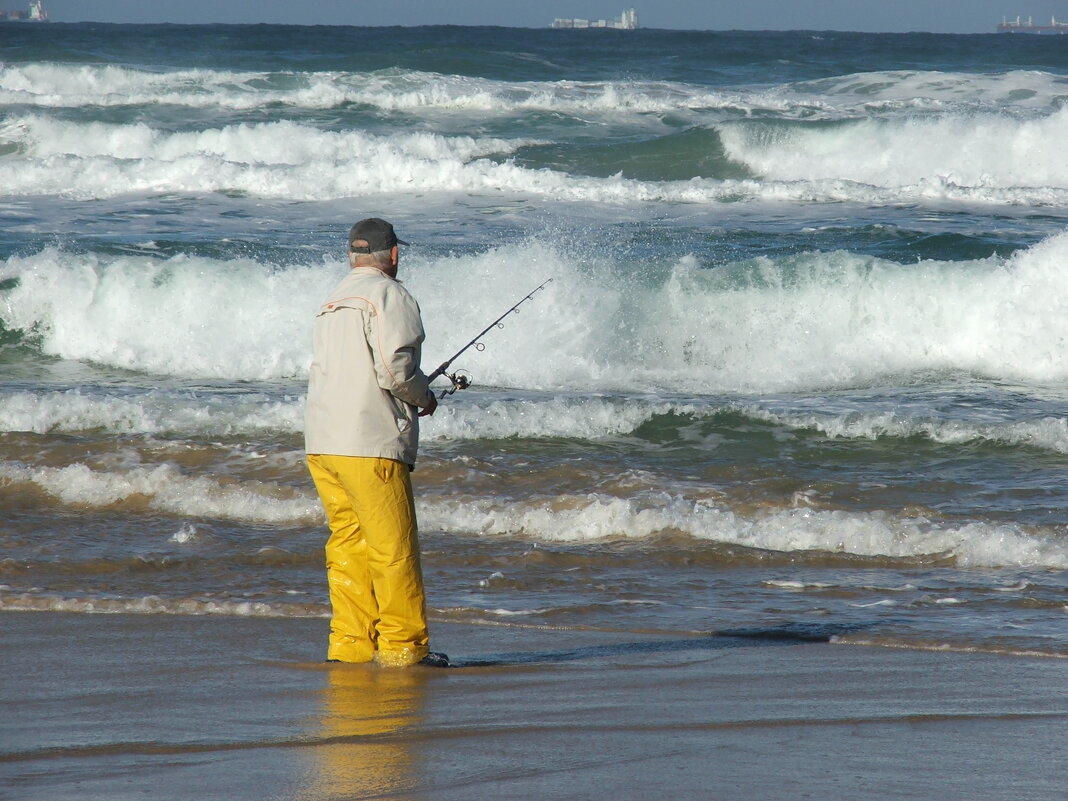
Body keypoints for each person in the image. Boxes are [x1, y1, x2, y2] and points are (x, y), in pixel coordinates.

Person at [304, 217, 446, 667]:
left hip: (323, 441)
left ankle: (349, 645)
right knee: (392, 548)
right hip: (369, 442)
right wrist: (424, 396)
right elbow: (394, 368)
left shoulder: (333, 299)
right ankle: (404, 648)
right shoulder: (390, 294)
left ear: (352, 255)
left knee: (347, 545)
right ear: (395, 254)